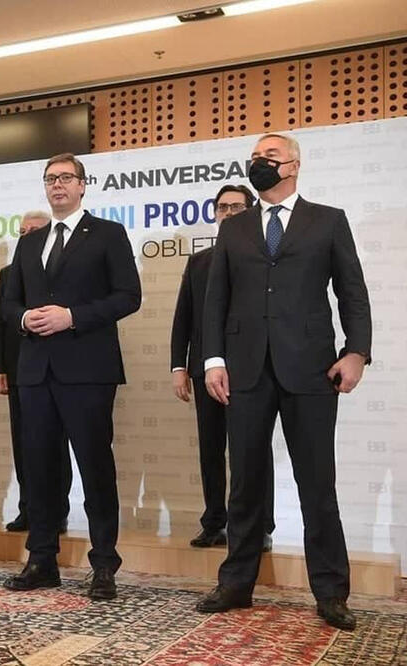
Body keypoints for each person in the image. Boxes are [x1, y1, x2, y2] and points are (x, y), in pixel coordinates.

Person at [196, 133, 372, 632]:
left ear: (293, 165)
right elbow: (216, 299)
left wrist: (356, 352)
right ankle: (236, 584)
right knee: (245, 482)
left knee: (317, 483)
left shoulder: (328, 220)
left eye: (269, 156)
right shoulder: (235, 227)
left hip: (312, 369)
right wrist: (213, 360)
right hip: (244, 368)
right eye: (254, 157)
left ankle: (331, 592)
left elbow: (352, 291)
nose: (259, 162)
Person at [2, 153, 141, 599]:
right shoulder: (29, 243)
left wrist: (72, 316)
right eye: (50, 179)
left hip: (87, 370)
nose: (57, 185)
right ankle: (42, 560)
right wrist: (24, 319)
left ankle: (104, 565)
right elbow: (8, 303)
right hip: (34, 371)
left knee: (95, 468)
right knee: (39, 469)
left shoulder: (108, 234)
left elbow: (129, 296)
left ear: (83, 185)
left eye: (65, 178)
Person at [170, 185, 276, 551]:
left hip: (252, 368)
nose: (228, 213)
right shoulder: (199, 261)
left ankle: (259, 527)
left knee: (254, 449)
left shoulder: (266, 257)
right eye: (222, 207)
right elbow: (184, 318)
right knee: (211, 449)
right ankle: (214, 521)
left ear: (251, 210)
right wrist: (178, 366)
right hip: (205, 370)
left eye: (236, 207)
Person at [0, 211, 72, 533]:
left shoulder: (61, 269)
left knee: (56, 445)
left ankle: (58, 511)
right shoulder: (8, 272)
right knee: (24, 443)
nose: (26, 235)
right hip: (18, 369)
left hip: (58, 367)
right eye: (22, 230)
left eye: (33, 230)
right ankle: (29, 508)